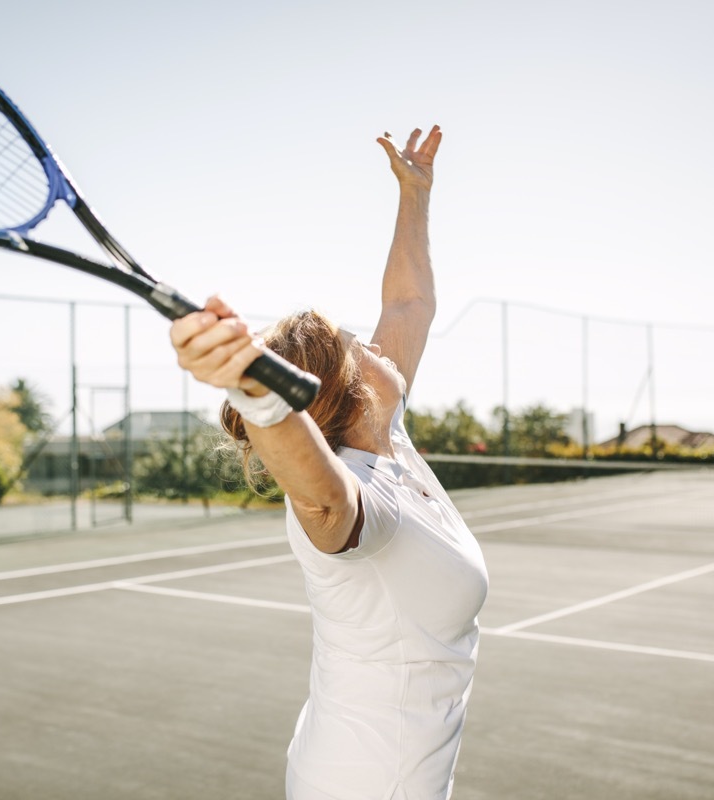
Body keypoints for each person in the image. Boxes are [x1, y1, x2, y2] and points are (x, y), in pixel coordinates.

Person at [171, 125, 489, 800]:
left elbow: (410, 302)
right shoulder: (356, 495)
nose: (379, 345)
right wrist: (259, 399)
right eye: (359, 347)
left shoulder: (386, 437)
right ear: (347, 393)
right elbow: (322, 502)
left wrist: (415, 196)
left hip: (373, 770)